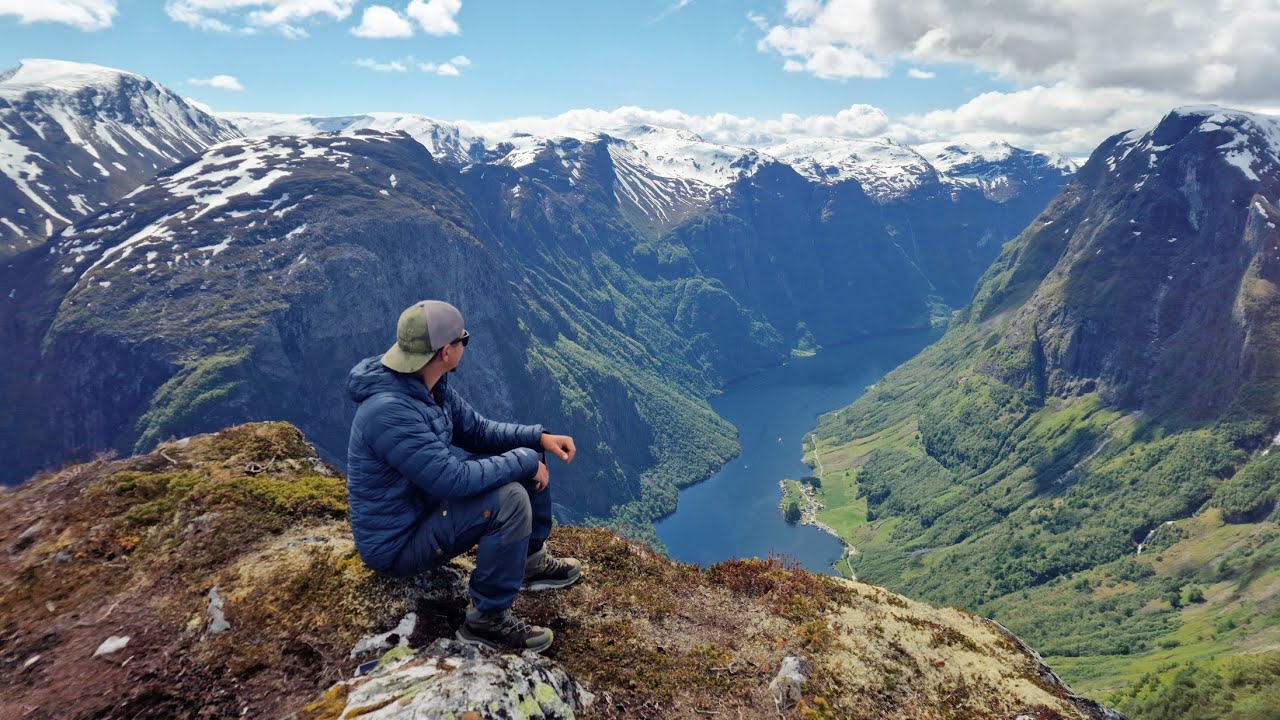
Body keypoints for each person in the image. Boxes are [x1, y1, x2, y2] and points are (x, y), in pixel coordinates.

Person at [345, 300, 581, 653]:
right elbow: (452, 480)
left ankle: (531, 563)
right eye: (463, 339)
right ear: (445, 352)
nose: (465, 344)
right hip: (398, 544)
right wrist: (524, 461)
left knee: (523, 457)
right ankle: (486, 621)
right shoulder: (390, 411)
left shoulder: (426, 385)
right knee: (511, 498)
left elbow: (477, 431)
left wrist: (536, 438)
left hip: (423, 509)